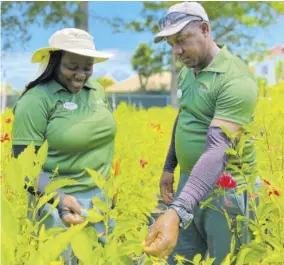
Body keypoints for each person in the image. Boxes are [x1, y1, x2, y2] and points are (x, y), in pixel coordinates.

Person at [143, 2, 260, 265]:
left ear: (205, 29)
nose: (176, 51)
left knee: (228, 260)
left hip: (227, 191)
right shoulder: (188, 72)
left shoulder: (235, 79)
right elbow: (185, 116)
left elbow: (218, 149)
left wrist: (178, 210)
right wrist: (169, 166)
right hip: (189, 181)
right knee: (179, 259)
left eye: (182, 40)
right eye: (171, 43)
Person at [12, 28, 116, 264]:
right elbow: (24, 166)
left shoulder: (97, 90)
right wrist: (59, 199)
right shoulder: (35, 100)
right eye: (72, 66)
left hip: (100, 201)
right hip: (57, 205)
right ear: (54, 62)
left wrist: (109, 189)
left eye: (87, 67)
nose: (81, 74)